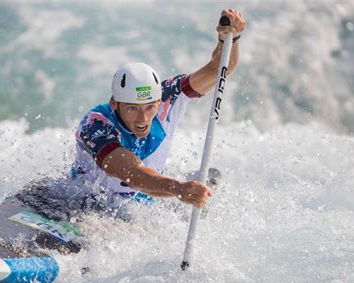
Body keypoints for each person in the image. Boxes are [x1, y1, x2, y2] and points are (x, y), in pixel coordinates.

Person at [71, 9, 246, 210]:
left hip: (147, 206)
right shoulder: (96, 124)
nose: (143, 118)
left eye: (150, 107)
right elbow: (132, 173)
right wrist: (179, 188)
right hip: (89, 205)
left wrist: (229, 40)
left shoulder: (169, 95)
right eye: (133, 108)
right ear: (114, 104)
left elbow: (218, 70)